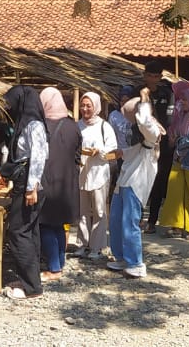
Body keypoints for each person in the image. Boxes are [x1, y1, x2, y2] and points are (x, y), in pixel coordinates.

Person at [107, 88, 164, 278]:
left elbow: (145, 120)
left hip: (137, 180)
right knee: (116, 219)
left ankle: (136, 263)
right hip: (126, 176)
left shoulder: (151, 129)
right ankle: (121, 257)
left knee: (129, 221)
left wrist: (144, 97)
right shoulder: (137, 130)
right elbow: (131, 149)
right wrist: (119, 153)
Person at [2, 85, 49, 299]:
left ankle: (32, 287)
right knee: (29, 230)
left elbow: (38, 156)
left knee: (18, 231)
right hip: (27, 180)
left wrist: (31, 188)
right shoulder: (25, 123)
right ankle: (30, 278)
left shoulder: (34, 124)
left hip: (30, 181)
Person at [157, 80, 189, 240]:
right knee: (176, 194)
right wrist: (175, 139)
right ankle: (177, 226)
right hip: (179, 160)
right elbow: (174, 132)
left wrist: (178, 141)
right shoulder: (183, 116)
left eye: (185, 100)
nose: (182, 102)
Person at [38, 87, 80, 280]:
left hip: (48, 181)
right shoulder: (73, 126)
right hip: (68, 182)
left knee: (45, 224)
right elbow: (77, 155)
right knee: (58, 224)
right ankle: (59, 262)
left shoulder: (42, 126)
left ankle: (54, 268)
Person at [76, 91, 117, 259]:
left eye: (89, 106)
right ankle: (82, 244)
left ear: (96, 107)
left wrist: (99, 151)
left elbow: (113, 149)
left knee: (99, 211)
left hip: (99, 172)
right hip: (82, 172)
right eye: (82, 105)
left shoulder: (104, 126)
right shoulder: (77, 125)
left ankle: (97, 246)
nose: (85, 109)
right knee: (82, 210)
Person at [140, 61, 175, 234]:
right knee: (140, 181)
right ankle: (138, 217)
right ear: (145, 75)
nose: (153, 79)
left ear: (160, 77)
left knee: (159, 183)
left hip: (163, 143)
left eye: (156, 76)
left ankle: (152, 221)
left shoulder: (167, 94)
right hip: (142, 143)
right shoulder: (138, 91)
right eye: (150, 76)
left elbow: (170, 118)